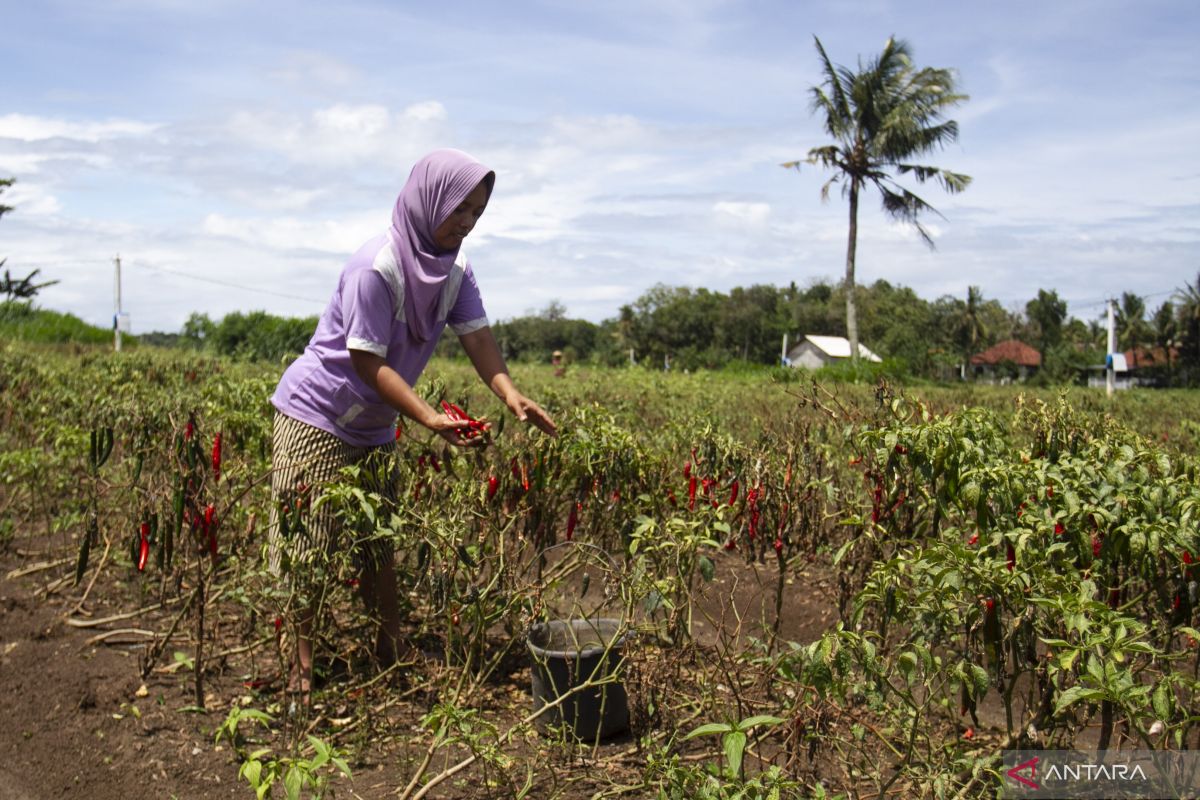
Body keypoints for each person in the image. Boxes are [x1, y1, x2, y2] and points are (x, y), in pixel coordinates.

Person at [267, 149, 557, 698]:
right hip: (317, 416)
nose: (468, 222)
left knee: (378, 541)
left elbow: (479, 341)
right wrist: (427, 417)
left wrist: (512, 394)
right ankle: (301, 668)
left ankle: (389, 649)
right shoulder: (375, 266)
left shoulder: (456, 272)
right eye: (460, 209)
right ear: (430, 202)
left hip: (374, 423)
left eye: (478, 211)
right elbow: (365, 362)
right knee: (309, 543)